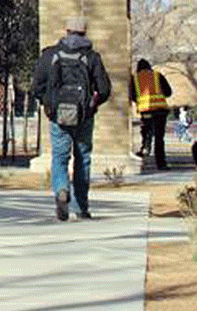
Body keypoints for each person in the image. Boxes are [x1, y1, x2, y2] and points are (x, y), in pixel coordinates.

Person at [31, 15, 111, 221]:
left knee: (59, 157)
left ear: (66, 31)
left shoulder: (50, 55)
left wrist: (48, 104)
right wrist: (92, 104)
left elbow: (36, 87)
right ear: (85, 32)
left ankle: (61, 190)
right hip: (84, 116)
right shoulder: (92, 57)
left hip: (58, 116)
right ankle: (81, 207)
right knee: (83, 159)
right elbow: (104, 89)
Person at [130, 58, 172, 169]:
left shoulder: (135, 78)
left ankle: (144, 150)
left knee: (146, 133)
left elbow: (132, 95)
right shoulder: (157, 75)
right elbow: (168, 92)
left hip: (146, 111)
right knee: (159, 138)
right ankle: (161, 164)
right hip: (160, 110)